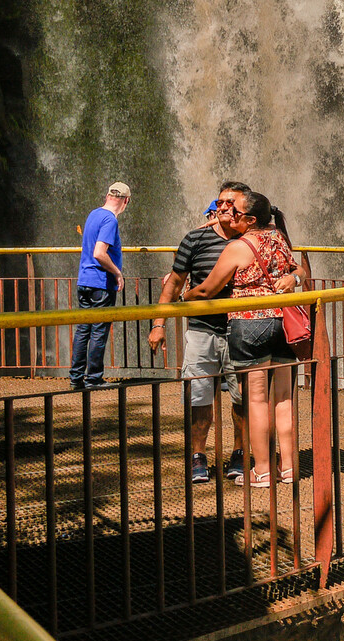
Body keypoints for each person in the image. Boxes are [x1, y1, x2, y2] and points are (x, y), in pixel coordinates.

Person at [183, 191, 306, 487]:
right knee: (285, 400)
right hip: (284, 325)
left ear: (250, 220)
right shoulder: (278, 238)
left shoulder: (239, 247)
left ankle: (262, 470)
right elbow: (296, 269)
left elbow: (206, 290)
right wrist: (295, 279)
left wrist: (182, 297)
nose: (226, 215)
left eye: (234, 212)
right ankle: (288, 468)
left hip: (250, 325)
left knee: (257, 400)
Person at [148, 181, 250, 484]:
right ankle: (198, 457)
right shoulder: (194, 239)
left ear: (244, 208)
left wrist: (294, 280)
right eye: (219, 202)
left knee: (241, 399)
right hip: (202, 331)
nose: (221, 207)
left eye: (230, 203)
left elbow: (290, 265)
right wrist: (158, 324)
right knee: (198, 398)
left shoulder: (252, 239)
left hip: (240, 331)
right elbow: (175, 283)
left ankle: (240, 454)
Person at [70, 182, 130, 389]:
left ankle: (76, 378)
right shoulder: (110, 220)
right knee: (98, 331)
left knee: (83, 330)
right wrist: (117, 272)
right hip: (100, 284)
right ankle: (94, 378)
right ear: (126, 201)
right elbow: (99, 252)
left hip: (84, 280)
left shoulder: (93, 214)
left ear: (107, 196)